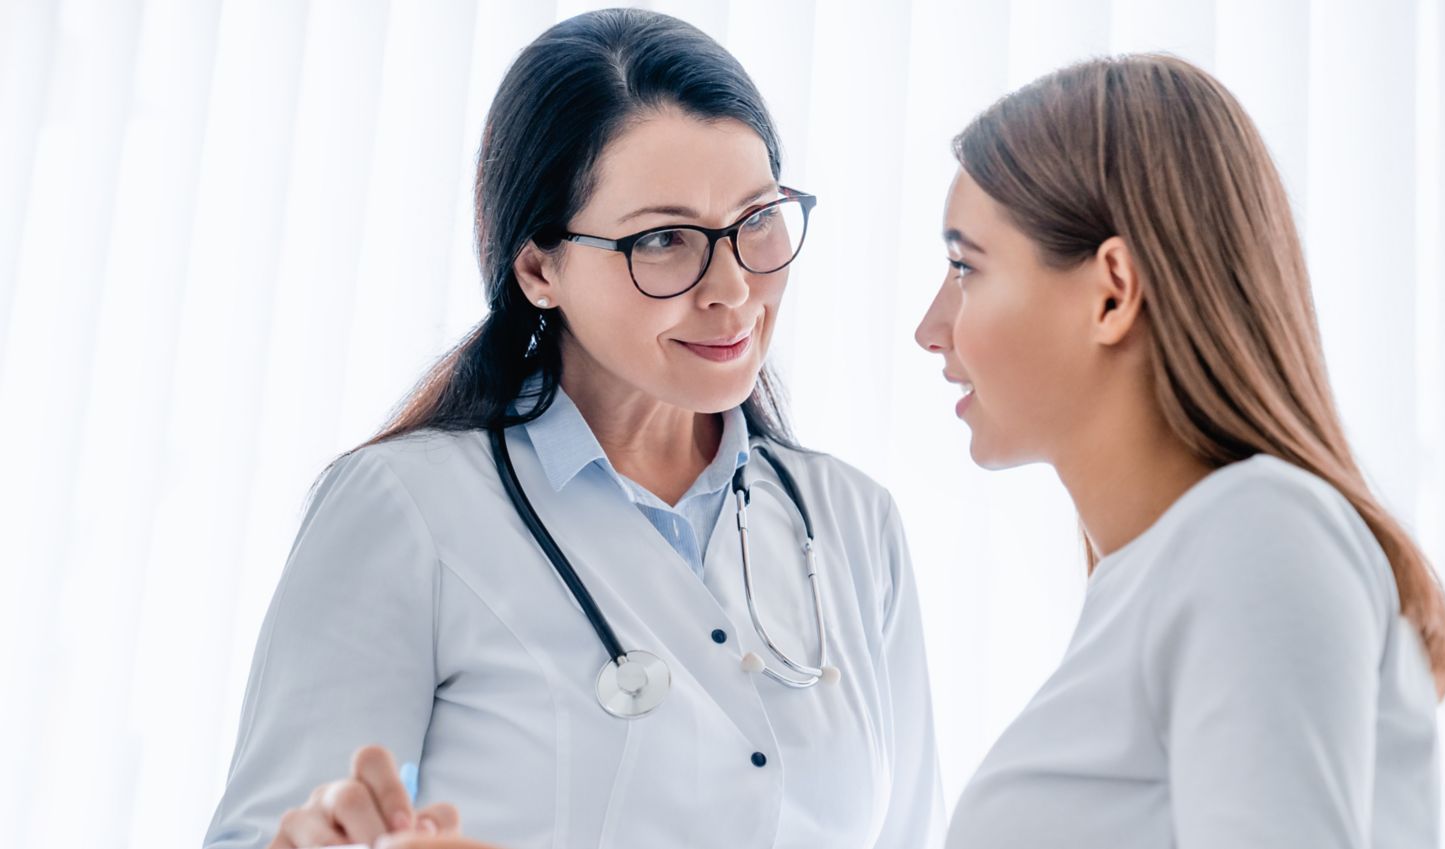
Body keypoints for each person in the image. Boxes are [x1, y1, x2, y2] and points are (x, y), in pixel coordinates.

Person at [202, 9, 943, 849]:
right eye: (665, 239)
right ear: (539, 267)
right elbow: (281, 832)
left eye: (757, 220)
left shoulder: (852, 522)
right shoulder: (407, 509)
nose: (732, 288)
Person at [916, 54, 1445, 848]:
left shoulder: (1257, 533)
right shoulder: (1168, 567)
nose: (930, 329)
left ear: (1112, 290)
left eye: (965, 267)